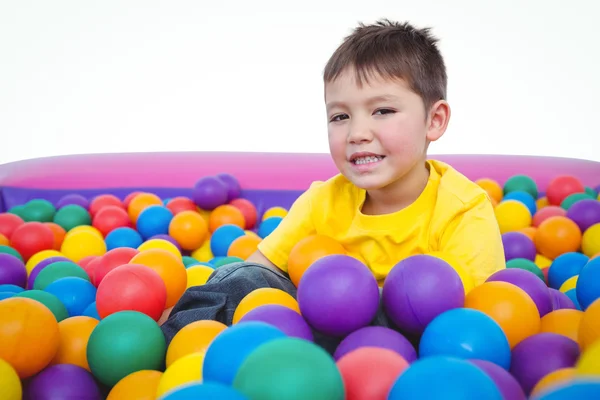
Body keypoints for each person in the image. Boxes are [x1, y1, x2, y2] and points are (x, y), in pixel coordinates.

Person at [160, 19, 505, 351]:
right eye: (340, 116)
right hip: (308, 328)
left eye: (382, 111)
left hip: (408, 343)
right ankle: (169, 345)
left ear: (434, 120)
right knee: (239, 276)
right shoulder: (322, 200)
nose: (357, 134)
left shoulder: (464, 208)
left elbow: (476, 314)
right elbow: (259, 269)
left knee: (415, 311)